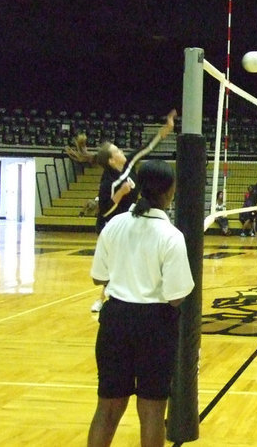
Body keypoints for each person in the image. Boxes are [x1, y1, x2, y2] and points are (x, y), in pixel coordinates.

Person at [87, 159, 194, 447]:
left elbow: (99, 278)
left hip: (115, 321)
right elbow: (176, 296)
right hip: (155, 324)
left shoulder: (115, 225)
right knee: (151, 412)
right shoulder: (170, 236)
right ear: (169, 192)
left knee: (107, 409)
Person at [90, 110, 176, 312]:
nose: (121, 152)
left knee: (125, 264)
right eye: (117, 151)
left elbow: (147, 147)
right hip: (110, 225)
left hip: (130, 221)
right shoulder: (108, 183)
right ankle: (102, 299)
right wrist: (120, 193)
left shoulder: (129, 163)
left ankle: (108, 297)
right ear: (112, 161)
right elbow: (104, 210)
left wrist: (167, 129)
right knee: (114, 267)